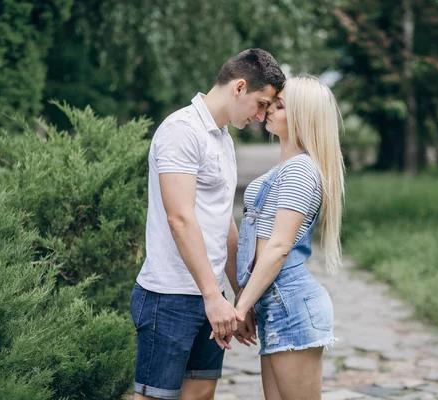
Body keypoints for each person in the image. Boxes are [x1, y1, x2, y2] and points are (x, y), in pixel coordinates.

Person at [130, 49, 286, 400]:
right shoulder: (181, 131)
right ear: (239, 87)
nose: (262, 116)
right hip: (169, 296)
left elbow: (223, 222)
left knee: (200, 396)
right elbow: (180, 219)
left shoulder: (223, 138)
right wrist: (213, 297)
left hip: (210, 295)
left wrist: (237, 294)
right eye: (261, 104)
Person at [233, 75, 345, 399]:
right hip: (277, 302)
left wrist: (241, 306)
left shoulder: (299, 170)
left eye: (280, 106)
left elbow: (279, 246)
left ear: (302, 117)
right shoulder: (286, 168)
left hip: (290, 302)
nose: (269, 110)